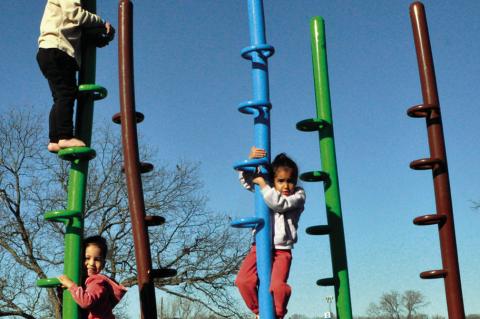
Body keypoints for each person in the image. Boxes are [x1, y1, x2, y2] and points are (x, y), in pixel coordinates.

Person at [235, 146, 306, 319]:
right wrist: (250, 161)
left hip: (282, 250)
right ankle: (259, 312)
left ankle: (278, 314)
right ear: (274, 180)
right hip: (258, 245)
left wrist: (264, 186)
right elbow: (248, 180)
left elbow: (279, 204)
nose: (286, 185)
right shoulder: (268, 190)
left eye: (290, 180)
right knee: (243, 281)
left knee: (278, 287)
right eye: (281, 181)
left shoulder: (298, 196)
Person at [37, 0, 115, 152]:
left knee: (60, 96)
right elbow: (75, 14)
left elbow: (82, 33)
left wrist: (103, 38)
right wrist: (101, 21)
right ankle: (65, 136)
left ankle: (55, 140)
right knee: (66, 94)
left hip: (49, 50)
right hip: (58, 49)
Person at [58, 236, 127, 319]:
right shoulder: (86, 281)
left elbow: (86, 302)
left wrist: (71, 285)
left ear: (103, 264)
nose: (91, 263)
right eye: (87, 258)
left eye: (97, 259)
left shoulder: (97, 281)